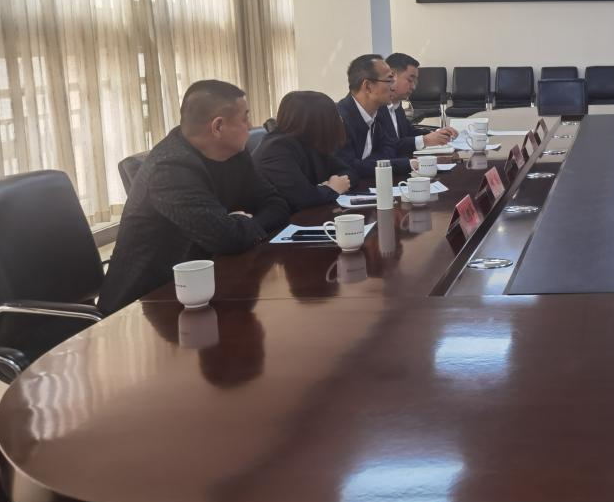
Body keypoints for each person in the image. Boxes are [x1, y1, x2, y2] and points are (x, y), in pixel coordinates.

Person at [98, 80, 289, 314]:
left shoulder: (235, 154)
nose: (250, 126)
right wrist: (239, 225)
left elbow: (277, 205)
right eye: (244, 118)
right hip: (147, 304)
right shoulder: (169, 169)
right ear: (218, 126)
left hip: (207, 284)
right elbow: (225, 238)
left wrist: (240, 223)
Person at [252, 91, 356, 211]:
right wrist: (333, 189)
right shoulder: (276, 150)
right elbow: (303, 198)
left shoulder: (311, 142)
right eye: (334, 117)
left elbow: (349, 172)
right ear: (317, 122)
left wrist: (335, 183)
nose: (340, 121)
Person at [334, 53, 413, 179]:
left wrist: (366, 164)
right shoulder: (339, 120)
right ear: (368, 87)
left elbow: (390, 148)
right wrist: (405, 164)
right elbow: (347, 168)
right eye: (389, 80)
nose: (394, 87)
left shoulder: (376, 113)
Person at [381, 53, 457, 151]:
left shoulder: (396, 104)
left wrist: (438, 133)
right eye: (410, 80)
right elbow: (388, 146)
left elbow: (408, 131)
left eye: (415, 81)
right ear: (391, 76)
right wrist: (424, 140)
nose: (413, 87)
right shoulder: (377, 107)